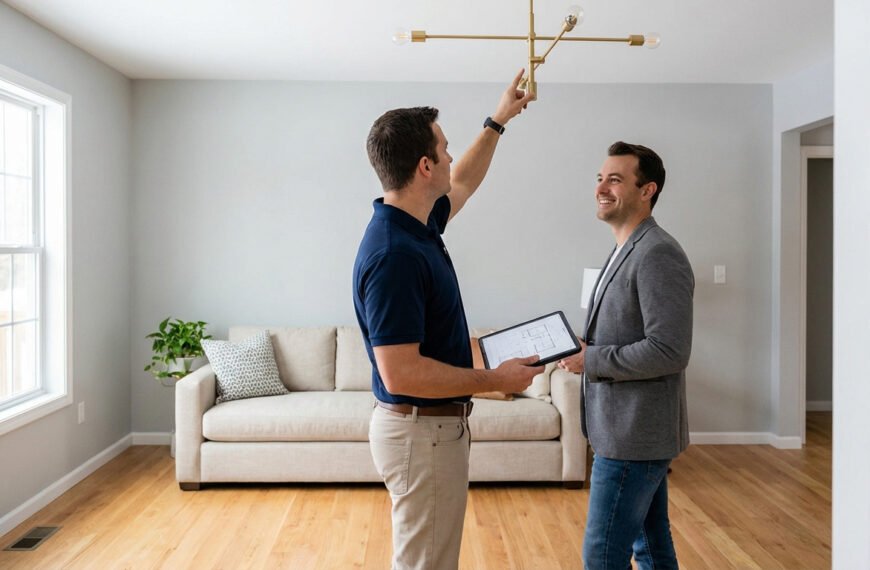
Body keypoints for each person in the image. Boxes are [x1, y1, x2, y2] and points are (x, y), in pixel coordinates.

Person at [353, 70, 543, 570]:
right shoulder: (395, 253)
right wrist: (494, 379)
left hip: (430, 432)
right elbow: (402, 372)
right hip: (421, 434)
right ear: (423, 166)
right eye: (444, 148)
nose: (451, 157)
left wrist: (499, 119)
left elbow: (464, 181)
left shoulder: (414, 223)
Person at [557, 142, 694, 570]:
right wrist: (582, 348)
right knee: (651, 548)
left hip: (633, 435)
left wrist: (591, 359)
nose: (602, 186)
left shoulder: (658, 253)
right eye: (600, 178)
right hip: (621, 430)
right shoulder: (625, 248)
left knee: (601, 556)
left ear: (647, 189)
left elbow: (670, 350)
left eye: (615, 179)